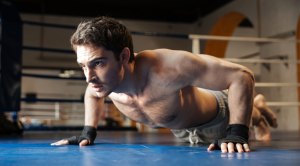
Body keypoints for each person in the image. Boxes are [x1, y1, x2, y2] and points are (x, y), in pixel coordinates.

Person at [51, 16, 277, 153]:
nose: (88, 77)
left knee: (248, 113)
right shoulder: (102, 81)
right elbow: (91, 94)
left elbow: (241, 76)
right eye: (83, 66)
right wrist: (88, 132)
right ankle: (256, 103)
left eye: (97, 63)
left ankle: (257, 109)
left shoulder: (168, 67)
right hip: (181, 128)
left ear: (123, 56)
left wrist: (237, 132)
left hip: (217, 115)